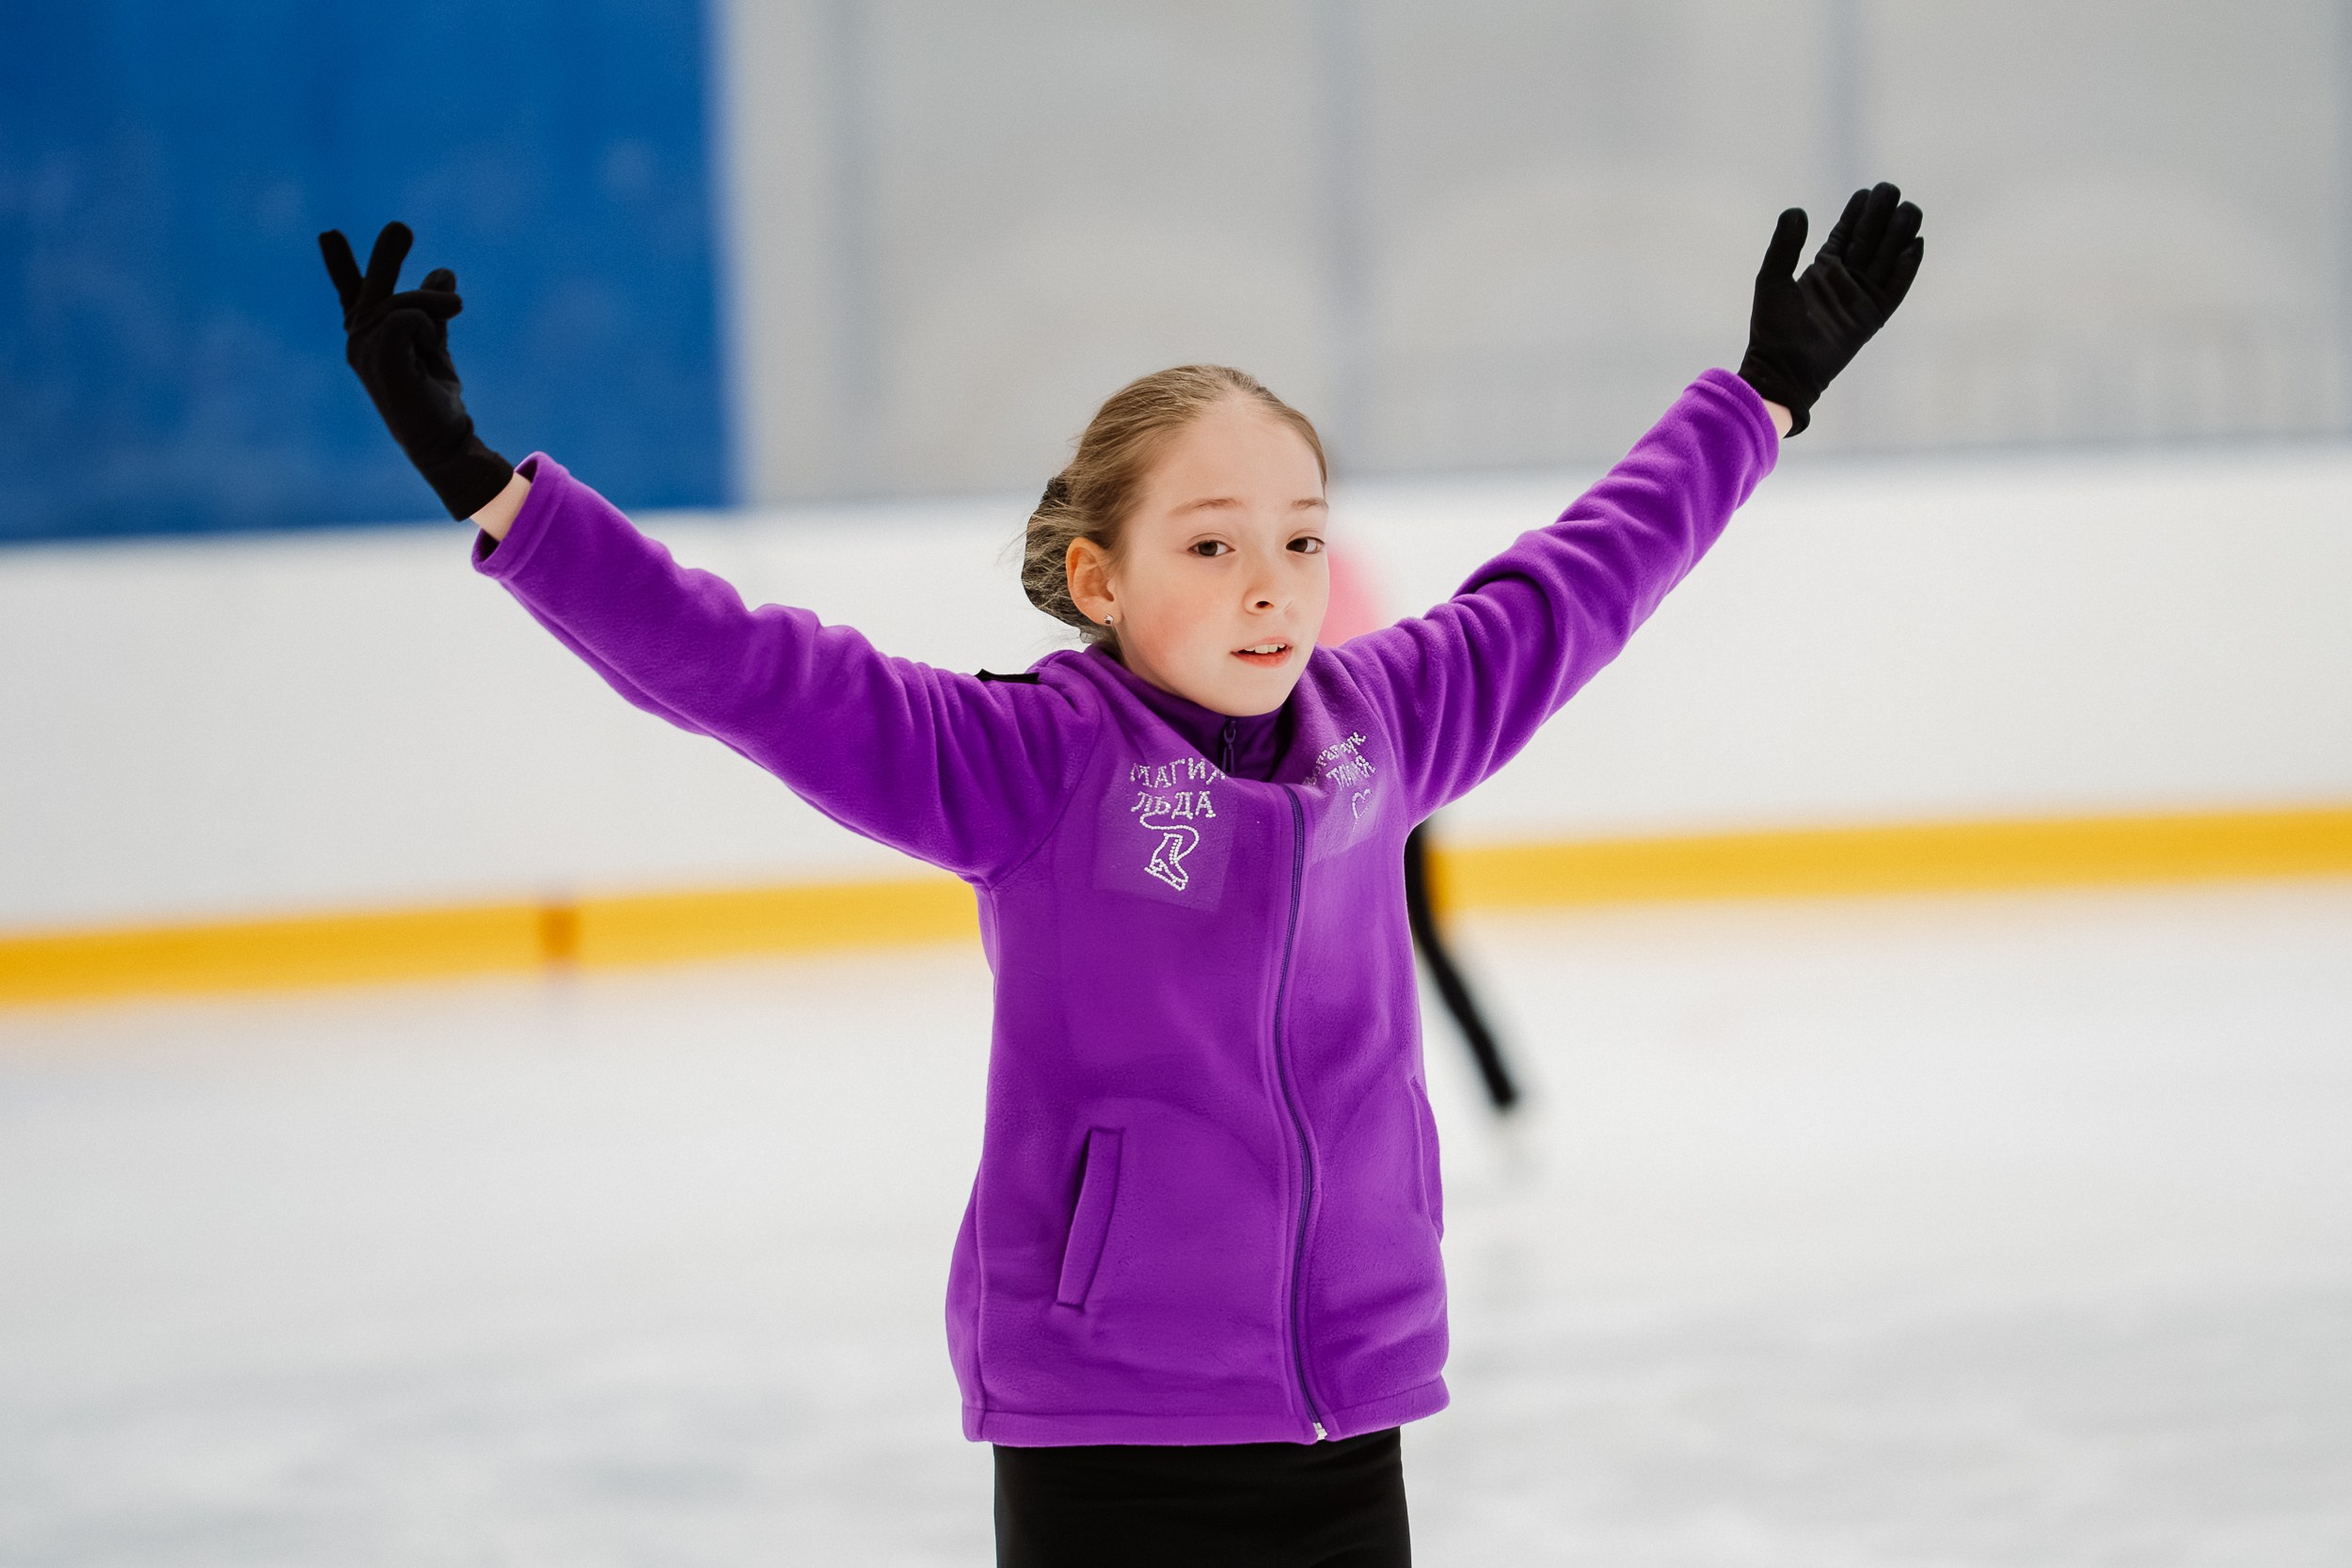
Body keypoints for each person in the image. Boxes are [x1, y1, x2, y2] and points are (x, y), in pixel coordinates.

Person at [320, 182, 1922, 1567]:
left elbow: (1587, 575)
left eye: (1300, 538)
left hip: (1347, 1415)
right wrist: (493, 493)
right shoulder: (1032, 765)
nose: (1273, 584)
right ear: (1103, 575)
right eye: (1214, 543)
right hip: (1110, 1439)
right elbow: (745, 669)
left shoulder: (1389, 725)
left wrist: (1760, 397)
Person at [1320, 546, 1520, 1113]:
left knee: (1373, 951)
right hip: (1383, 765)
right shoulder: (1329, 561)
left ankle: (1366, 1110)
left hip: (1361, 776)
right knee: (1410, 944)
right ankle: (1498, 1086)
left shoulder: (1324, 566)